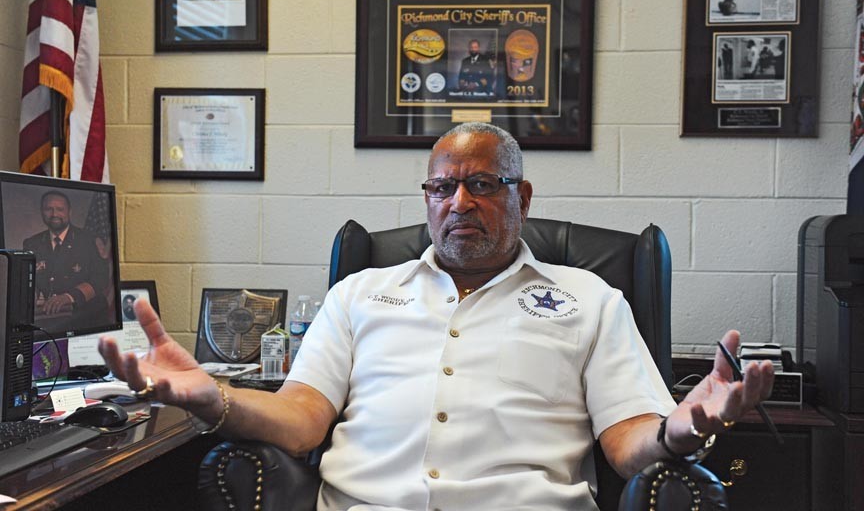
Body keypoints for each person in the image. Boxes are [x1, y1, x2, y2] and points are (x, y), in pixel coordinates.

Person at [98, 123, 774, 510]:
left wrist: (681, 429)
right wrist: (212, 396)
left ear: (522, 197)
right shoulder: (360, 293)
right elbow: (300, 418)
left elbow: (629, 444)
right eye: (443, 187)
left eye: (482, 185)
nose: (459, 202)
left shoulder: (591, 299)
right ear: (427, 198)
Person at [24, 190, 108, 322]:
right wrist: (31, 297)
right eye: (48, 209)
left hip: (87, 316)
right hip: (50, 316)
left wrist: (69, 297)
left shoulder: (89, 240)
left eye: (60, 209)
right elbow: (29, 281)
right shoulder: (32, 244)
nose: (54, 214)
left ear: (70, 212)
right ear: (41, 212)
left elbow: (101, 279)